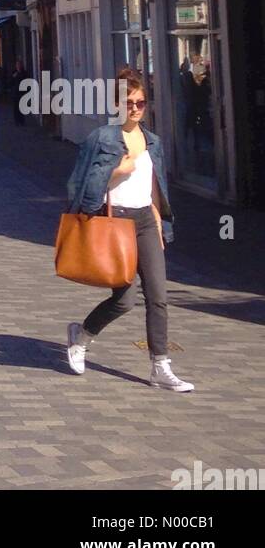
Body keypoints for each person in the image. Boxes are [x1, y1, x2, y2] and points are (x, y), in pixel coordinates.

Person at [64, 68, 193, 392]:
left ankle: (160, 366)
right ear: (117, 104)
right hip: (115, 221)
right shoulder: (102, 139)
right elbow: (79, 184)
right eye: (129, 102)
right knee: (124, 301)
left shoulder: (153, 142)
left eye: (140, 102)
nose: (135, 108)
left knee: (158, 297)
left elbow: (155, 186)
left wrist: (159, 221)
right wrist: (117, 172)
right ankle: (81, 335)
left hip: (146, 221)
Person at [8, 59, 28, 126]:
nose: (18, 66)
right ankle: (17, 121)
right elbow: (10, 82)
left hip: (22, 92)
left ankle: (22, 121)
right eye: (17, 65)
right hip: (15, 92)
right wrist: (13, 77)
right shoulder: (14, 73)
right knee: (16, 108)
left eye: (19, 64)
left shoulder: (24, 73)